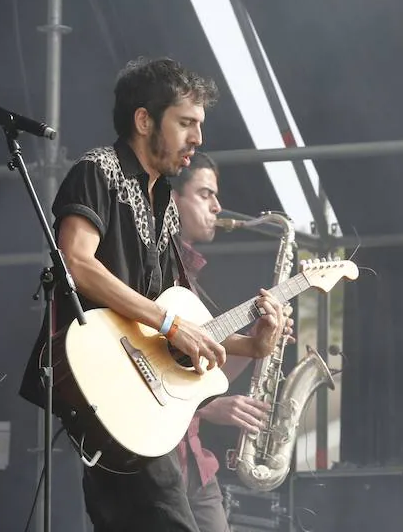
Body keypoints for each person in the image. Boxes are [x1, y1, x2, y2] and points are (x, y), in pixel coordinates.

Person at [19, 56, 287, 532]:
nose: (198, 138)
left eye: (199, 125)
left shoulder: (162, 203)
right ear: (144, 120)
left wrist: (255, 344)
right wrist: (168, 323)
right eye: (186, 123)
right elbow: (77, 262)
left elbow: (176, 333)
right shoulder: (97, 171)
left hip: (141, 401)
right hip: (107, 388)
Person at [171, 151, 291, 531]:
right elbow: (140, 375)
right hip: (156, 463)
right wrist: (207, 409)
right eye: (205, 194)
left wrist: (258, 344)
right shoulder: (153, 274)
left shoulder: (190, 279)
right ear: (174, 201)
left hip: (194, 461)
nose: (218, 206)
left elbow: (205, 374)